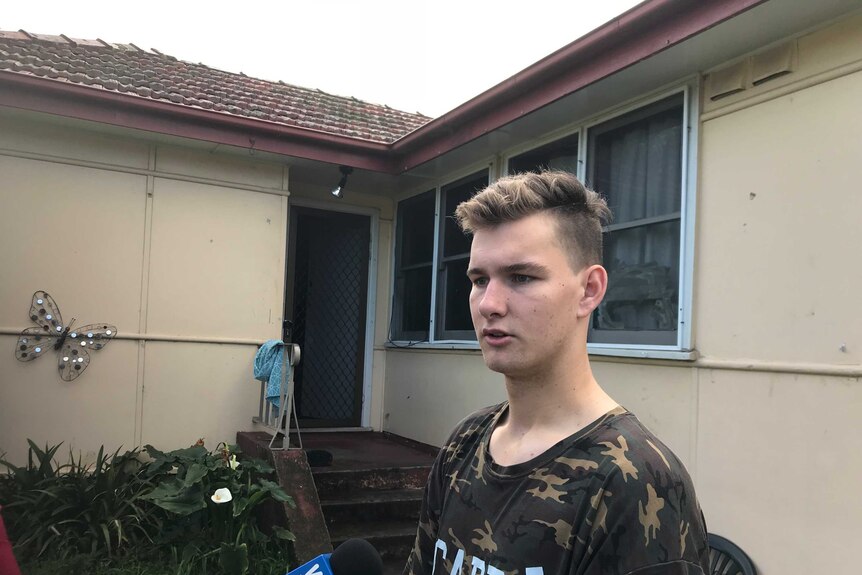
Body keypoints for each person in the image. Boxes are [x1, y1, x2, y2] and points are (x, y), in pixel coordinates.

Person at [403, 171, 709, 575]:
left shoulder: (634, 482)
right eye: (479, 280)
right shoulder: (464, 443)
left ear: (589, 291)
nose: (488, 304)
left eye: (521, 277)